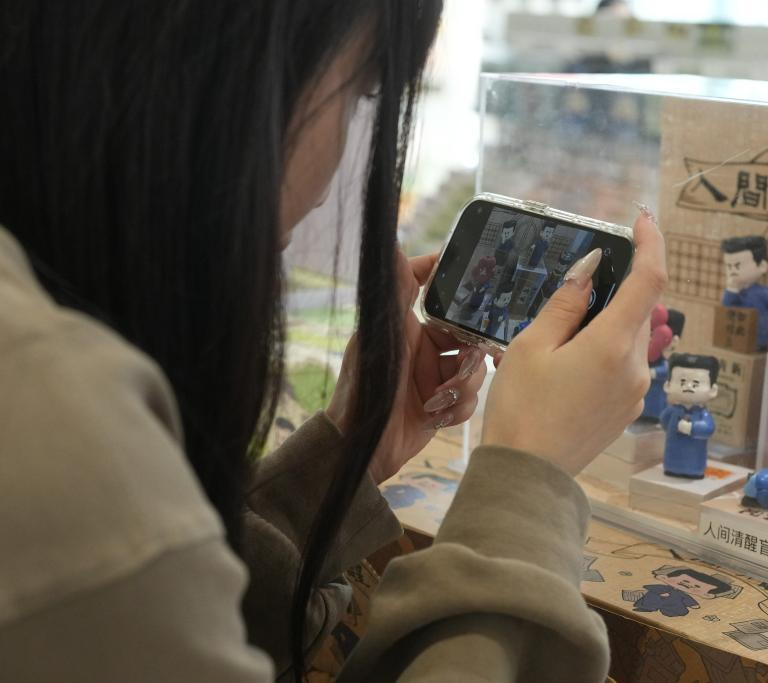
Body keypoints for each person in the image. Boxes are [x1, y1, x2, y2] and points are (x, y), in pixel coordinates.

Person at [0, 2, 668, 682]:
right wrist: (526, 479)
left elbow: (162, 621)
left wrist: (347, 455)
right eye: (360, 94)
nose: (329, 185)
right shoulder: (67, 435)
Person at [660, 353, 719, 478]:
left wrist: (692, 428)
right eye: (682, 382)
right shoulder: (673, 411)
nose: (688, 386)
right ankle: (672, 468)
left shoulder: (702, 414)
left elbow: (709, 428)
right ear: (668, 386)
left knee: (694, 461)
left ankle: (693, 471)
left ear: (713, 390)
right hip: (672, 453)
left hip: (695, 458)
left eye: (696, 383)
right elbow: (664, 421)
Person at [721, 236, 768, 350]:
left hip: (759, 338)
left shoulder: (761, 292)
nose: (733, 271)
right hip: (736, 338)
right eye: (729, 266)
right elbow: (726, 309)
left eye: (738, 266)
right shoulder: (732, 292)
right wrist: (732, 289)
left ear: (762, 266)